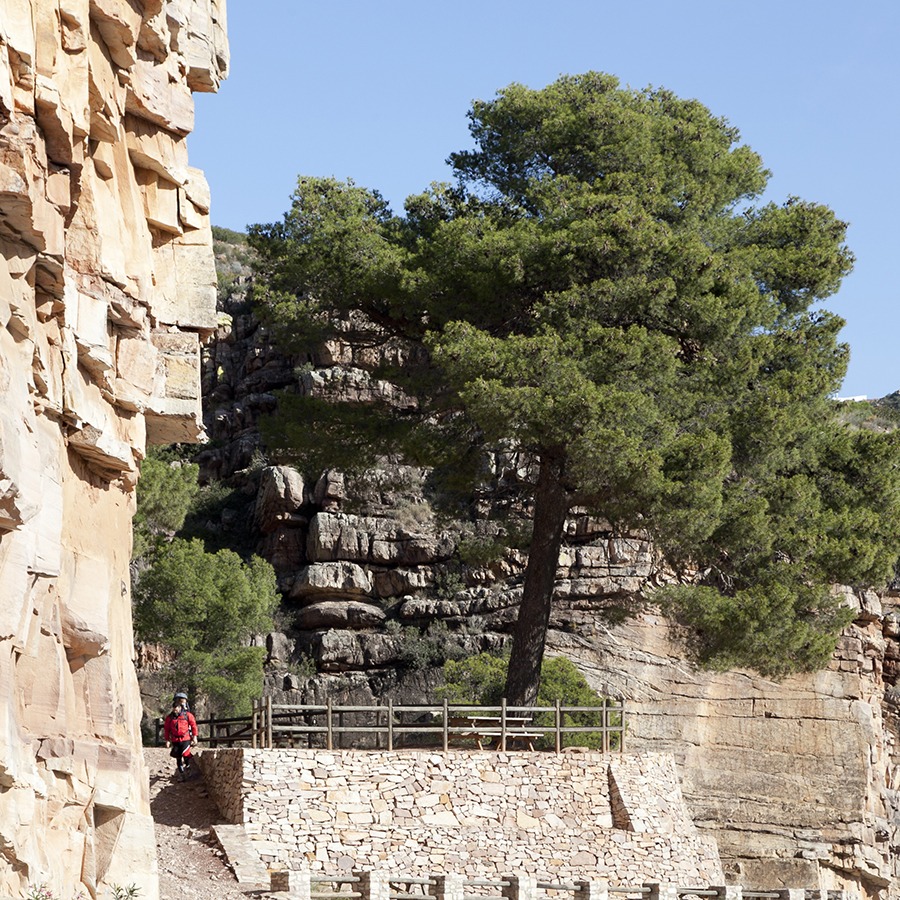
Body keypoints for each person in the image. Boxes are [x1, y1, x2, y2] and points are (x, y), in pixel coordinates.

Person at [163, 697, 198, 777]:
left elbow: (193, 726)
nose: (175, 709)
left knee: (186, 754)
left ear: (180, 707)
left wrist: (195, 737)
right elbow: (167, 729)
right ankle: (181, 773)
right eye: (174, 707)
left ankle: (189, 768)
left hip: (185, 738)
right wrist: (167, 740)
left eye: (177, 707)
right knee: (177, 756)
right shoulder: (170, 718)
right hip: (175, 740)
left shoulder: (187, 715)